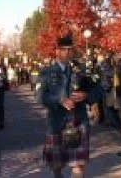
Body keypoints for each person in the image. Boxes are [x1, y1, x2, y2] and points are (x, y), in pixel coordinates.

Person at [36, 33, 102, 178]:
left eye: (70, 49)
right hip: (56, 124)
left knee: (79, 164)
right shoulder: (47, 73)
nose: (67, 53)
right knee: (56, 165)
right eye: (63, 49)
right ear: (57, 51)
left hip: (79, 123)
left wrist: (86, 96)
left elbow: (97, 89)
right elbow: (40, 97)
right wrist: (59, 100)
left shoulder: (82, 70)